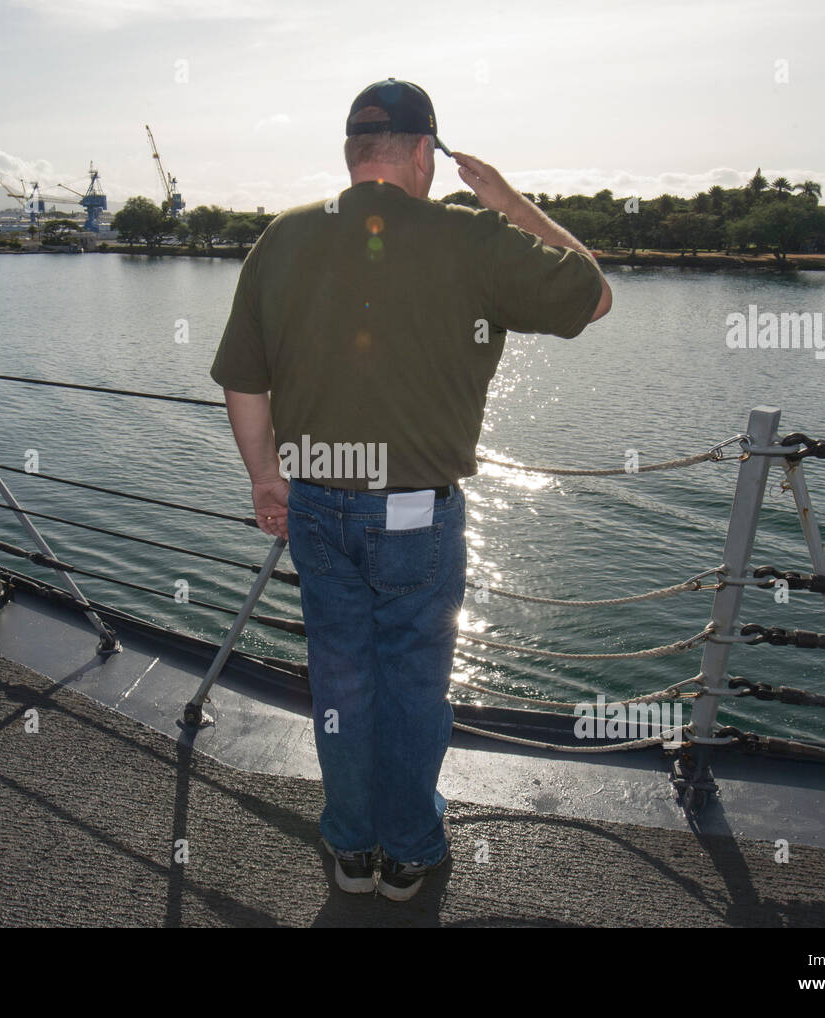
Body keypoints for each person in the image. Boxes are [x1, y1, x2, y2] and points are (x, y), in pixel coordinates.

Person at [210, 79, 611, 900]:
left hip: (315, 502)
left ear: (354, 153)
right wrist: (510, 200)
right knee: (414, 686)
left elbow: (244, 385)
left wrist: (265, 480)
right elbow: (594, 293)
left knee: (342, 682)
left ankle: (351, 849)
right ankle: (411, 852)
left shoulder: (281, 239)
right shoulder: (473, 236)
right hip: (415, 512)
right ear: (426, 152)